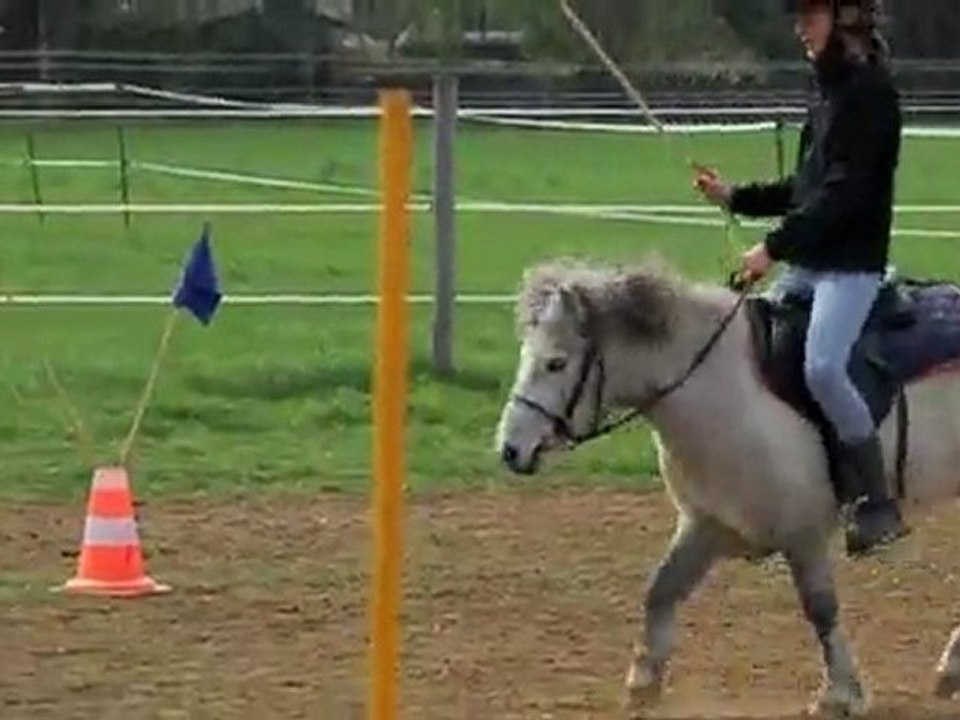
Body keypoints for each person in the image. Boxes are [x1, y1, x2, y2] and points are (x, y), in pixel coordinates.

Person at [694, 0, 908, 557]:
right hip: (811, 263)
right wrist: (735, 196)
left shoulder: (872, 95)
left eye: (810, 16)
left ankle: (878, 503)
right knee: (751, 342)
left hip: (851, 268)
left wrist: (773, 247)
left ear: (844, 20)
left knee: (823, 368)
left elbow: (844, 194)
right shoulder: (825, 90)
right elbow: (807, 186)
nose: (799, 27)